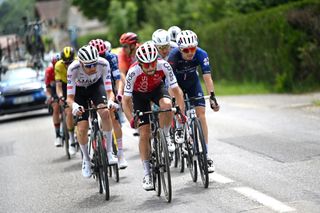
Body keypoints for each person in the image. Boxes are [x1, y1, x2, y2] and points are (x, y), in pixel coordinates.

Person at [122, 42, 185, 190]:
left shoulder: (164, 65)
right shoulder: (133, 71)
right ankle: (147, 174)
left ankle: (166, 136)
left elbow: (176, 91)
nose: (150, 68)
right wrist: (132, 120)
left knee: (167, 105)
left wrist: (181, 112)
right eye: (146, 65)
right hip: (139, 96)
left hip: (157, 89)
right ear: (140, 63)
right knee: (144, 133)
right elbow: (125, 101)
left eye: (152, 64)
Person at [167, 30, 220, 173]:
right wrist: (173, 102)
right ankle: (179, 127)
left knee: (201, 114)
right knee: (180, 107)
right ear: (179, 48)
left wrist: (212, 96)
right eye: (186, 49)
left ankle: (207, 155)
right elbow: (170, 83)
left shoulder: (201, 53)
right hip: (177, 85)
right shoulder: (173, 56)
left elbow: (207, 77)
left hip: (192, 83)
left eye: (193, 48)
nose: (190, 52)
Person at [67, 45, 118, 178]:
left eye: (94, 64)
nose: (93, 68)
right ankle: (86, 159)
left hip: (96, 87)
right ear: (81, 63)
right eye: (88, 66)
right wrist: (74, 107)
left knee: (105, 112)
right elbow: (70, 98)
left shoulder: (104, 63)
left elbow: (109, 91)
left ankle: (109, 152)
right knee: (82, 128)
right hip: (79, 93)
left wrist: (111, 101)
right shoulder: (73, 68)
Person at [89, 38, 128, 169]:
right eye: (98, 56)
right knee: (92, 113)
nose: (101, 58)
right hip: (92, 87)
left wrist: (118, 93)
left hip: (108, 85)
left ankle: (121, 154)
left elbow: (117, 79)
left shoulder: (111, 57)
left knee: (114, 118)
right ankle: (95, 136)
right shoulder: (87, 60)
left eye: (103, 55)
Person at [54, 46, 77, 155]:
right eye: (66, 63)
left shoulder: (78, 63)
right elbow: (58, 86)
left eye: (70, 62)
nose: (68, 65)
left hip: (76, 83)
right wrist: (61, 97)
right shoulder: (58, 65)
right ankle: (72, 140)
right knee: (68, 111)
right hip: (65, 84)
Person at [117, 32, 140, 136]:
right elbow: (122, 72)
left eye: (125, 46)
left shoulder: (141, 50)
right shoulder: (122, 54)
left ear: (133, 45)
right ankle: (134, 118)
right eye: (122, 46)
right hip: (129, 76)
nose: (123, 49)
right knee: (128, 96)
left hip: (142, 75)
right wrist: (128, 86)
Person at [45, 53, 61, 146]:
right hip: (54, 91)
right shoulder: (49, 71)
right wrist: (49, 97)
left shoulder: (65, 68)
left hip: (64, 89)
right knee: (55, 107)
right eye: (55, 64)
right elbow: (47, 89)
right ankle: (58, 135)